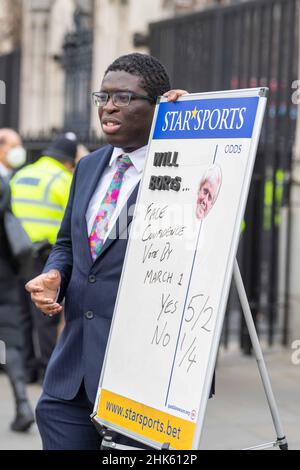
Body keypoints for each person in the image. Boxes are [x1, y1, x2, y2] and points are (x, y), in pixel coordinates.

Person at [25, 53, 187, 450]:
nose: (109, 106)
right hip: (71, 378)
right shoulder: (89, 166)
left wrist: (188, 133)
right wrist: (56, 276)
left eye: (124, 98)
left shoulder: (182, 168)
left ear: (157, 105)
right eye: (103, 96)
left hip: (142, 380)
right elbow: (67, 242)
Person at [10, 132, 79, 384]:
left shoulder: (22, 174)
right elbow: (73, 222)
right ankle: (47, 372)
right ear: (69, 161)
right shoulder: (65, 179)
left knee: (21, 315)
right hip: (45, 256)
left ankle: (26, 370)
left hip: (16, 255)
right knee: (45, 315)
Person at [0, 133, 34, 431]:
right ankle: (23, 402)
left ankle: (23, 405)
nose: (18, 150)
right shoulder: (3, 182)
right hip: (5, 273)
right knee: (10, 336)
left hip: (6, 275)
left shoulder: (8, 180)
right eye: (13, 145)